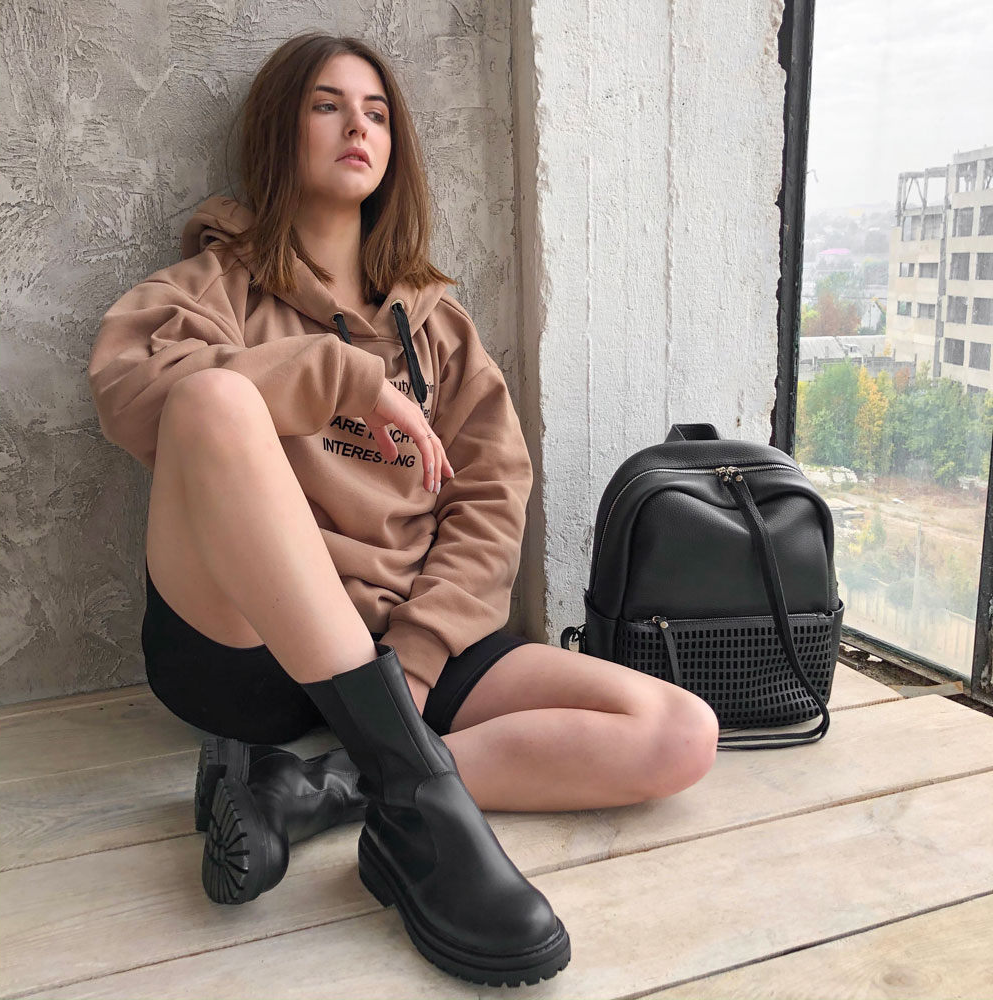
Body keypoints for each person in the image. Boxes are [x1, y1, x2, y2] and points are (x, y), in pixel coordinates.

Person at [87, 31, 719, 987]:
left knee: (679, 732)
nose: (358, 127)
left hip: (402, 652)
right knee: (211, 399)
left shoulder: (440, 330)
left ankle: (330, 786)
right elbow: (131, 399)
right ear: (280, 129)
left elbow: (490, 503)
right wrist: (344, 378)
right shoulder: (212, 288)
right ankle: (416, 800)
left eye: (377, 113)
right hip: (246, 649)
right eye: (328, 105)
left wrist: (418, 661)